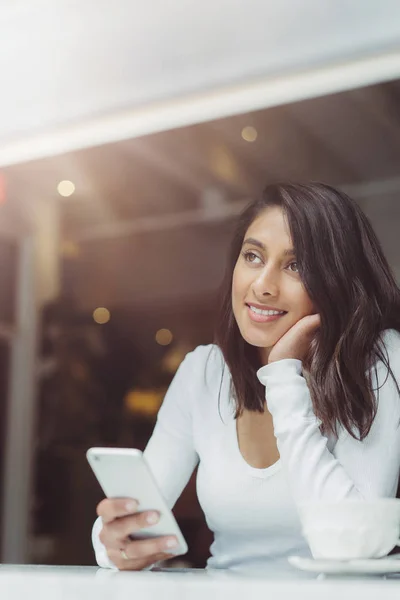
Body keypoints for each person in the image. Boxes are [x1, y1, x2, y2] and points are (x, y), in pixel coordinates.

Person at [92, 182, 400, 571]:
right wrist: (113, 544)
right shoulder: (203, 373)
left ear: (337, 281)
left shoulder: (378, 360)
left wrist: (285, 376)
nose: (262, 286)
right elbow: (130, 522)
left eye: (295, 265)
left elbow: (354, 544)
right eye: (253, 256)